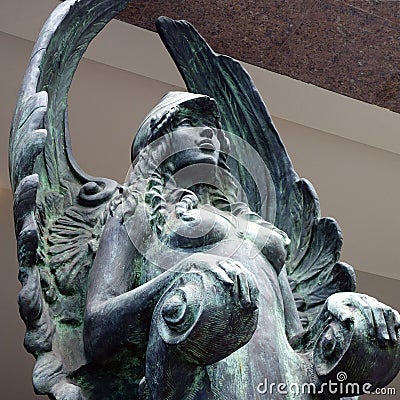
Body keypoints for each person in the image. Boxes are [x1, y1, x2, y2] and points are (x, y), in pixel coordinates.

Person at [82, 92, 399, 400]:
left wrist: (348, 316)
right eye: (190, 122)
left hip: (280, 384)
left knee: (363, 327)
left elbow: (295, 340)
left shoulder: (252, 226)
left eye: (215, 130)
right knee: (216, 299)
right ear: (158, 143)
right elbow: (97, 331)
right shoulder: (137, 207)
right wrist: (182, 273)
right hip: (194, 372)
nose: (210, 134)